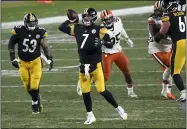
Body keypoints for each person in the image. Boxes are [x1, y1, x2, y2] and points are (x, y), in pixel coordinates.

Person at [59, 8, 127, 124]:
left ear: (93, 18)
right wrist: (71, 20)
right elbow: (61, 27)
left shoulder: (99, 29)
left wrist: (102, 42)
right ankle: (90, 115)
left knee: (102, 90)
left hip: (95, 66)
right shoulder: (77, 27)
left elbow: (110, 43)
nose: (86, 19)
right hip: (83, 65)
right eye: (84, 17)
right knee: (85, 93)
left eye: (88, 17)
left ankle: (119, 109)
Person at [8, 13, 53, 114]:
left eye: (33, 22)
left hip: (36, 62)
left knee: (34, 85)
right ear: (25, 23)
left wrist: (49, 58)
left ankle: (34, 102)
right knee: (27, 86)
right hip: (23, 62)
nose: (32, 24)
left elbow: (45, 46)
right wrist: (12, 58)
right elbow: (11, 44)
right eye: (30, 22)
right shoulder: (19, 31)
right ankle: (36, 97)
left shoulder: (40, 31)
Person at [154, 1, 186, 102]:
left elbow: (164, 29)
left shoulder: (168, 16)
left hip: (180, 44)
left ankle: (184, 93)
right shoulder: (184, 13)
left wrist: (157, 37)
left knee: (175, 72)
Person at [147, 1, 175, 99]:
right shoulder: (152, 19)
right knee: (170, 67)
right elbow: (156, 37)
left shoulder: (171, 17)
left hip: (168, 46)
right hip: (156, 47)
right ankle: (166, 91)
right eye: (157, 10)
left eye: (161, 9)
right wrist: (165, 29)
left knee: (172, 68)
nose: (159, 12)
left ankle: (167, 91)